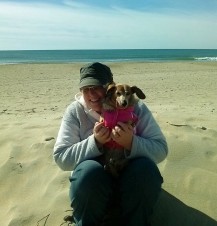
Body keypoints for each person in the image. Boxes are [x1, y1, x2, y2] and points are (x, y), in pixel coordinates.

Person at [53, 62, 168, 226]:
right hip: (93, 190)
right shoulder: (75, 111)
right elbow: (61, 158)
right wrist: (95, 142)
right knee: (88, 172)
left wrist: (131, 142)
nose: (91, 94)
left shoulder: (136, 108)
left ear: (110, 87)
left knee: (146, 170)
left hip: (130, 182)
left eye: (97, 87)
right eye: (85, 89)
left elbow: (161, 150)